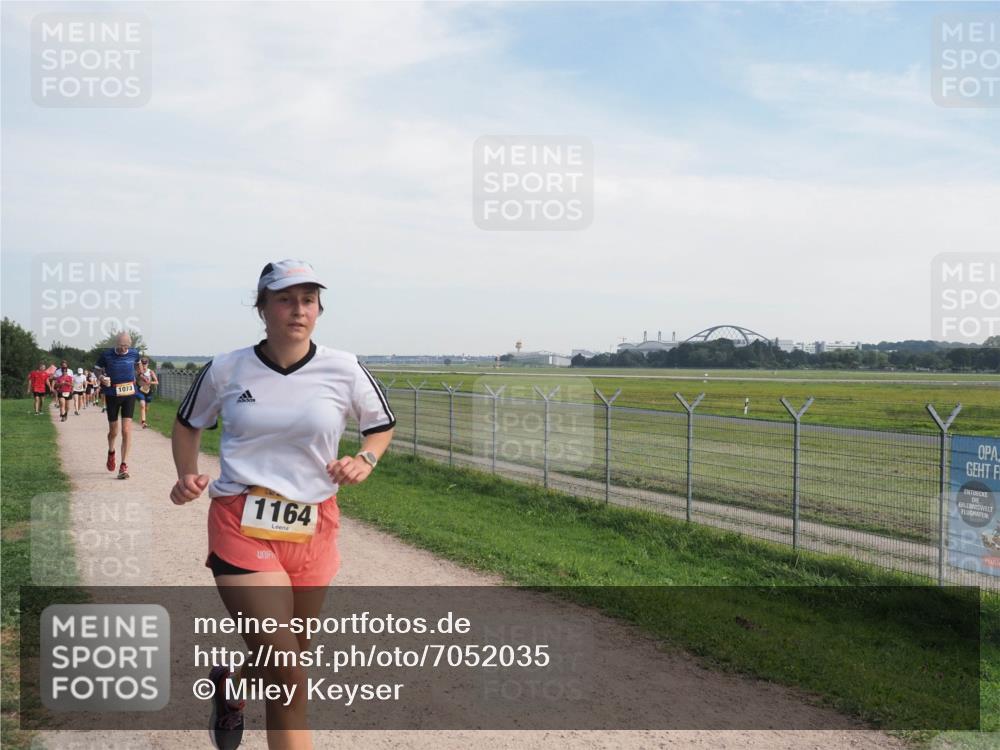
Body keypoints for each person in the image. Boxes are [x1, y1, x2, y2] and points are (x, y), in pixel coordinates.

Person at [169, 260, 395, 750]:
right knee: (289, 673)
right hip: (240, 521)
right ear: (262, 307)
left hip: (314, 526)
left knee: (286, 658)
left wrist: (366, 459)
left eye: (309, 299)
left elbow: (380, 425)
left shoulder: (344, 366)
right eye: (285, 299)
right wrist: (186, 474)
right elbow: (188, 424)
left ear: (319, 309)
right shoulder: (227, 367)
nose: (299, 309)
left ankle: (232, 688)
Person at [95, 333, 142, 479]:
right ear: (116, 343)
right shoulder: (107, 354)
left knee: (126, 430)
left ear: (130, 345)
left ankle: (124, 465)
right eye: (120, 346)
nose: (123, 349)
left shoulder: (134, 353)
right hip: (112, 394)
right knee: (113, 431)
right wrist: (101, 378)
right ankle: (111, 451)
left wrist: (141, 375)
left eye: (125, 346)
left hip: (129, 394)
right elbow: (96, 369)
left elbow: (139, 366)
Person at [136, 357, 159, 428]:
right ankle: (144, 422)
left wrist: (150, 382)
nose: (144, 365)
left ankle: (142, 419)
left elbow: (157, 382)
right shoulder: (139, 372)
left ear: (148, 364)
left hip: (148, 391)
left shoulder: (151, 372)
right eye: (142, 364)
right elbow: (139, 376)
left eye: (145, 364)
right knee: (142, 405)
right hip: (140, 391)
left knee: (146, 408)